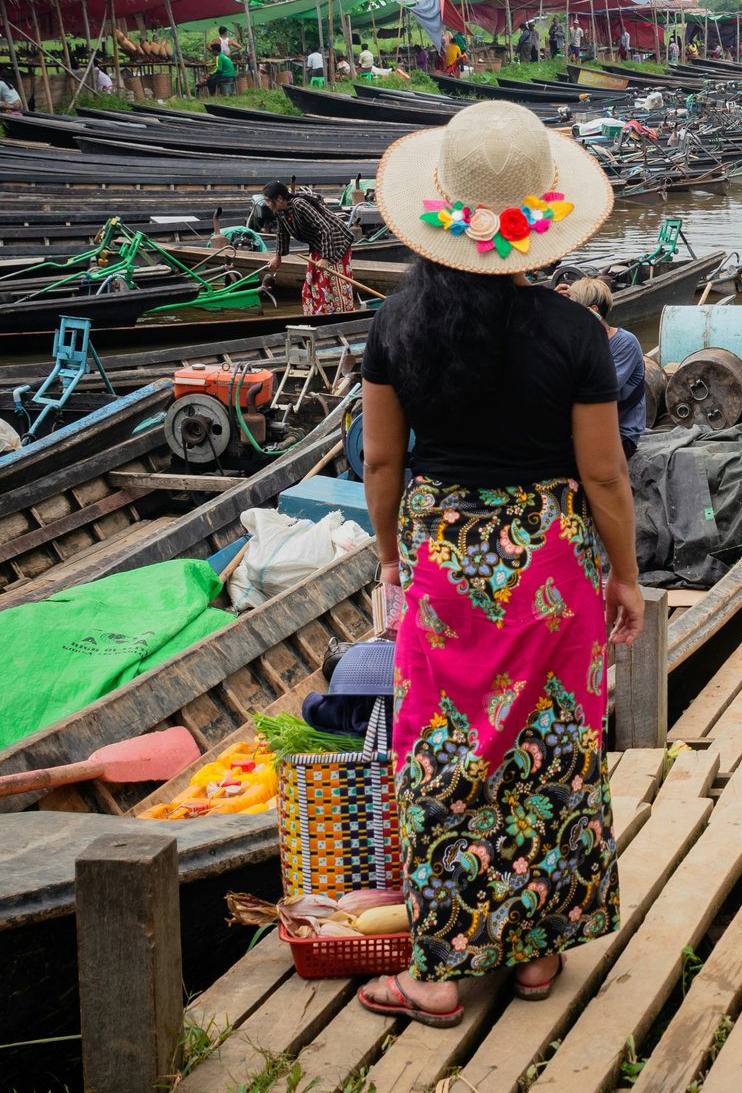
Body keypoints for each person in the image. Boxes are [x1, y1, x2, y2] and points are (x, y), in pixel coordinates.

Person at [353, 100, 636, 1029]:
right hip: (551, 567)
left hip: (444, 561)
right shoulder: (574, 334)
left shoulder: (395, 326)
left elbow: (382, 463)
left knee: (443, 752)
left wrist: (392, 557)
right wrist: (626, 576)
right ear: (536, 215)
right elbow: (602, 473)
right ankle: (537, 955)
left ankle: (438, 974)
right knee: (552, 747)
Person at [565, 277, 648, 459]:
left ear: (593, 311)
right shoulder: (578, 341)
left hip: (619, 435)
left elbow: (601, 389)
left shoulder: (625, 343)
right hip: (586, 428)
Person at [262, 178, 356, 314]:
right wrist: (278, 257)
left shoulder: (299, 205)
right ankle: (315, 315)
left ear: (280, 199)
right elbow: (282, 233)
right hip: (318, 244)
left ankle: (343, 314)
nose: (267, 205)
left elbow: (325, 228)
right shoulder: (281, 211)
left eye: (268, 201)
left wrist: (326, 258)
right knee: (312, 282)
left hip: (337, 242)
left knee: (333, 284)